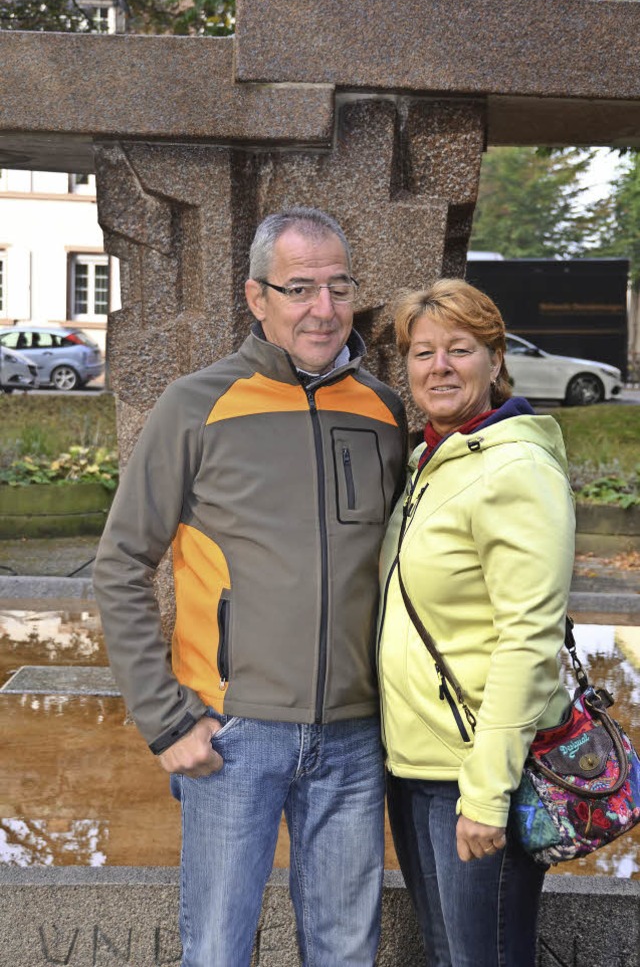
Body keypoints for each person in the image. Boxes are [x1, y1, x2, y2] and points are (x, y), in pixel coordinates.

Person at [93, 206, 407, 967]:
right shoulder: (196, 406)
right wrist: (167, 720)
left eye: (339, 286)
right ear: (256, 296)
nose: (324, 309)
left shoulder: (384, 410)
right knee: (218, 950)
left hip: (356, 739)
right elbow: (121, 561)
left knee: (345, 951)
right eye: (299, 288)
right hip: (233, 736)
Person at [377, 279, 575, 967]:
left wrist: (487, 792)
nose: (439, 366)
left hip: (477, 770)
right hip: (418, 765)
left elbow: (530, 638)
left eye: (460, 349)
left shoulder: (514, 466)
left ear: (496, 359)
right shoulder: (434, 458)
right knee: (450, 954)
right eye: (423, 351)